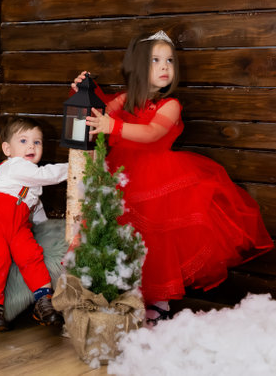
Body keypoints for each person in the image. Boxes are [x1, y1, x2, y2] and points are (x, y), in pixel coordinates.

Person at [72, 30, 274, 327]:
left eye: (169, 61)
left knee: (158, 240)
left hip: (158, 180)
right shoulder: (126, 100)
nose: (166, 67)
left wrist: (112, 127)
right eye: (156, 60)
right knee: (125, 236)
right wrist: (82, 90)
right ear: (138, 66)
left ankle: (159, 301)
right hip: (122, 178)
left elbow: (152, 133)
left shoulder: (171, 105)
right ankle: (123, 293)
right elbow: (96, 112)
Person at [0, 116, 69, 331]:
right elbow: (44, 175)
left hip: (16, 226)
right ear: (7, 149)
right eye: (23, 141)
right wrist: (75, 165)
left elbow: (37, 212)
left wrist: (45, 227)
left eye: (37, 142)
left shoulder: (32, 185)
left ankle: (43, 301)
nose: (31, 146)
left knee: (31, 255)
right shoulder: (15, 165)